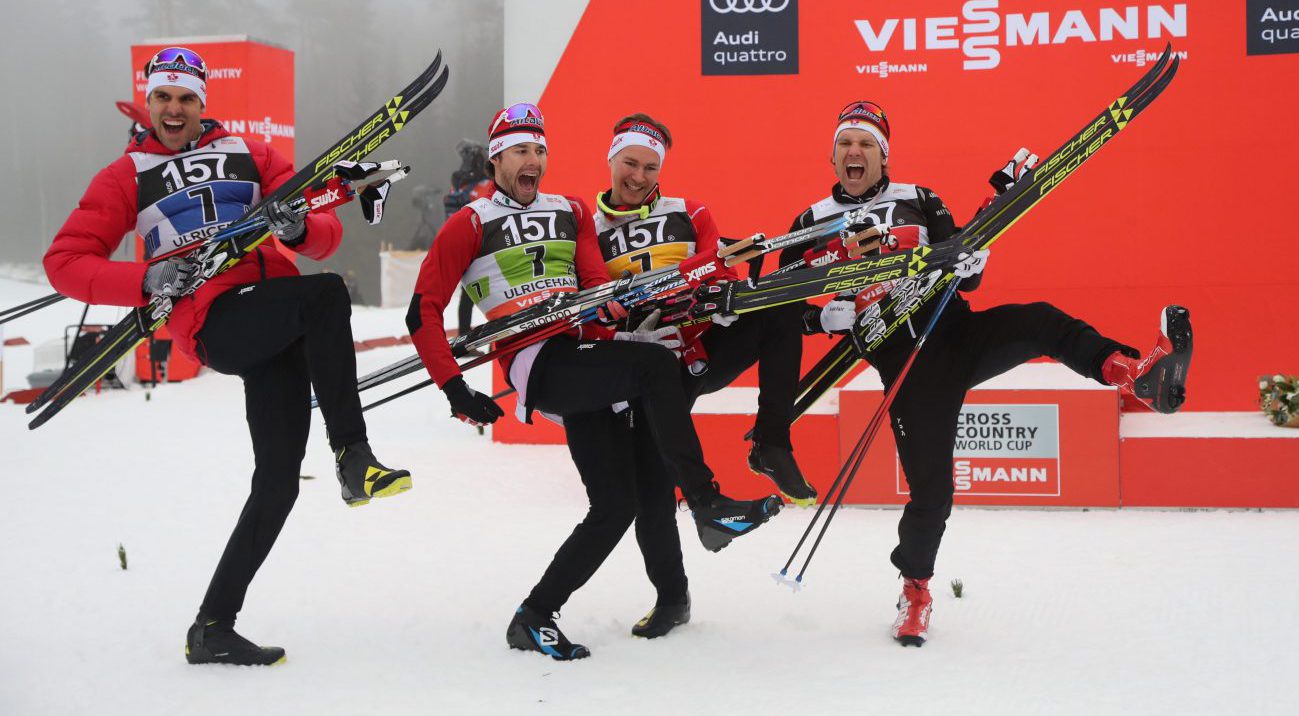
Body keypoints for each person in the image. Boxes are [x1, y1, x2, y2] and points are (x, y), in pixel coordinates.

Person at [43, 47, 412, 666]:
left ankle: (212, 627)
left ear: (202, 102)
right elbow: (65, 263)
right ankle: (354, 455)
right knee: (324, 296)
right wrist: (147, 282)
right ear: (149, 102)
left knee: (277, 482)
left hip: (276, 318)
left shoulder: (251, 154)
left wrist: (297, 228)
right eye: (163, 97)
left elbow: (324, 233)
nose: (174, 109)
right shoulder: (125, 174)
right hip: (214, 316)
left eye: (186, 97)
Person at [786, 100, 1193, 647]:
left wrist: (972, 259)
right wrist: (820, 317)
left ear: (884, 156)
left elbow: (964, 269)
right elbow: (777, 304)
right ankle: (916, 591)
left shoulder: (920, 200)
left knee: (1042, 320)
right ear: (832, 156)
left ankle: (1130, 373)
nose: (854, 152)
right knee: (932, 495)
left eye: (865, 144)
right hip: (907, 367)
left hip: (956, 334)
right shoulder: (810, 221)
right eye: (845, 144)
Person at [405, 103, 782, 660]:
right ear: (497, 158)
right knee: (653, 370)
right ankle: (707, 502)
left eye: (539, 150)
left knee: (615, 504)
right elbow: (423, 311)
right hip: (539, 360)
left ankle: (535, 615)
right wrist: (455, 388)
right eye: (519, 151)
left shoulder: (572, 211)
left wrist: (619, 313)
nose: (531, 161)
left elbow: (595, 286)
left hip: (590, 355)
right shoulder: (471, 221)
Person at [592, 113, 815, 505]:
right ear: (611, 159)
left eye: (650, 167)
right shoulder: (588, 230)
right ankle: (698, 522)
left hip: (699, 353)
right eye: (630, 163)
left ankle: (771, 442)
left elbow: (720, 272)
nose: (639, 177)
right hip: (640, 368)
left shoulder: (690, 212)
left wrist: (726, 301)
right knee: (649, 494)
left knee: (780, 305)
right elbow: (590, 305)